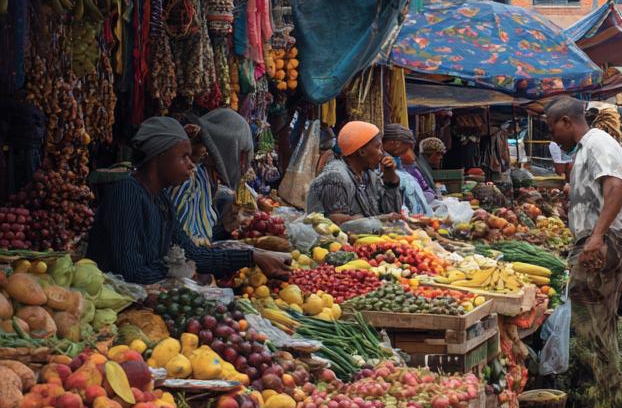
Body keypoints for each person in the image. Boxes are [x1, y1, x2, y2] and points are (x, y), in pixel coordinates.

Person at [88, 117, 288, 285]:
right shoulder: (127, 194)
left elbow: (193, 254)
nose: (191, 165)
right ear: (160, 155)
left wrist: (253, 257)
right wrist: (181, 273)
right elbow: (131, 272)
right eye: (184, 157)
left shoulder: (161, 199)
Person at [546, 97, 622, 408]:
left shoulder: (597, 143)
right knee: (598, 327)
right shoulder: (587, 148)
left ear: (566, 121)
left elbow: (616, 186)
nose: (552, 138)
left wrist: (596, 236)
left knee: (587, 328)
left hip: (602, 243)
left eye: (552, 129)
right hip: (599, 239)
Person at [173, 108, 255, 245]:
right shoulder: (188, 178)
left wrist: (228, 227)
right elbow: (186, 243)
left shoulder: (207, 179)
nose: (242, 164)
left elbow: (203, 235)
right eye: (240, 153)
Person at [307, 121, 403, 223]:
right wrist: (378, 219)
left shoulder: (368, 176)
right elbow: (336, 222)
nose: (382, 153)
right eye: (378, 147)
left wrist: (390, 178)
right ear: (362, 152)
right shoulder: (335, 177)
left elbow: (392, 215)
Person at [381, 124, 434, 215]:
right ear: (395, 143)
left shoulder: (399, 165)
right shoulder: (381, 165)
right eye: (407, 148)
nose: (408, 151)